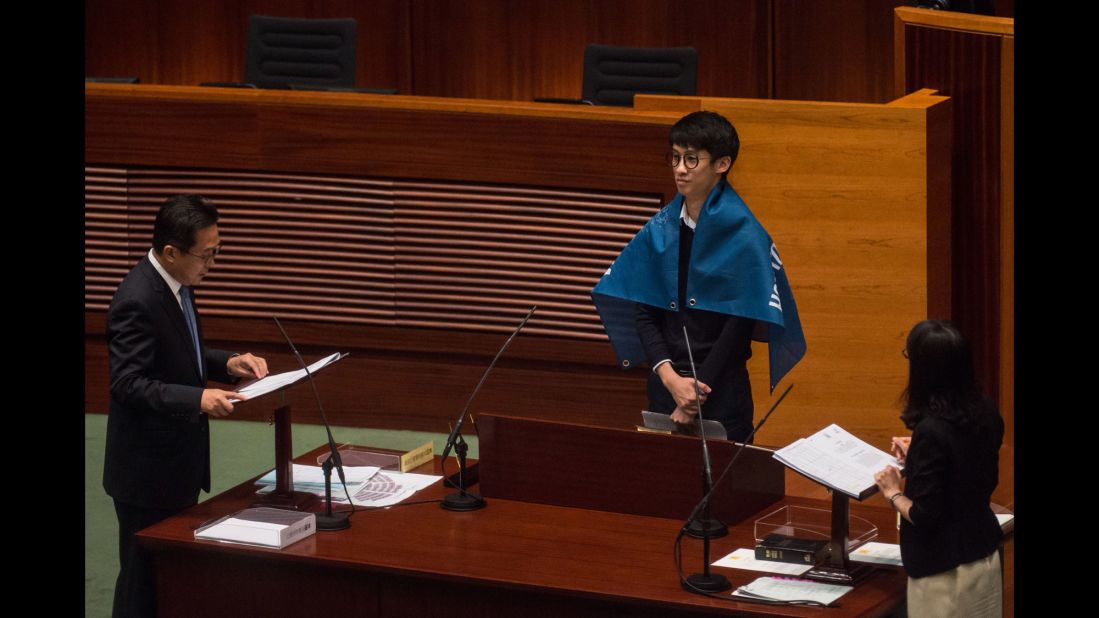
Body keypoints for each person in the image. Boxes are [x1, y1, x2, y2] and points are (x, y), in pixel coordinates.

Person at [591, 111, 805, 441]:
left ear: (722, 164)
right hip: (666, 385)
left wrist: (692, 398)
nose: (679, 168)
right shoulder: (661, 229)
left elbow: (738, 326)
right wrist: (668, 377)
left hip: (719, 388)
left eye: (691, 159)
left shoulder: (744, 234)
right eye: (675, 157)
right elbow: (644, 310)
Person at [102, 194, 269, 617]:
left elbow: (180, 352)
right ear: (172, 252)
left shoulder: (175, 281)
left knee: (172, 580)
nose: (211, 265)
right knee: (143, 585)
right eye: (206, 256)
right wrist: (197, 398)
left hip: (176, 463)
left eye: (217, 251)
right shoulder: (136, 298)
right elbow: (128, 384)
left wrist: (227, 363)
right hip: (146, 473)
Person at [873, 320, 1003, 617]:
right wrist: (918, 455)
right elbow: (966, 465)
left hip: (944, 571)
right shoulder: (986, 410)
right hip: (983, 554)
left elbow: (924, 514)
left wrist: (892, 492)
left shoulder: (932, 431)